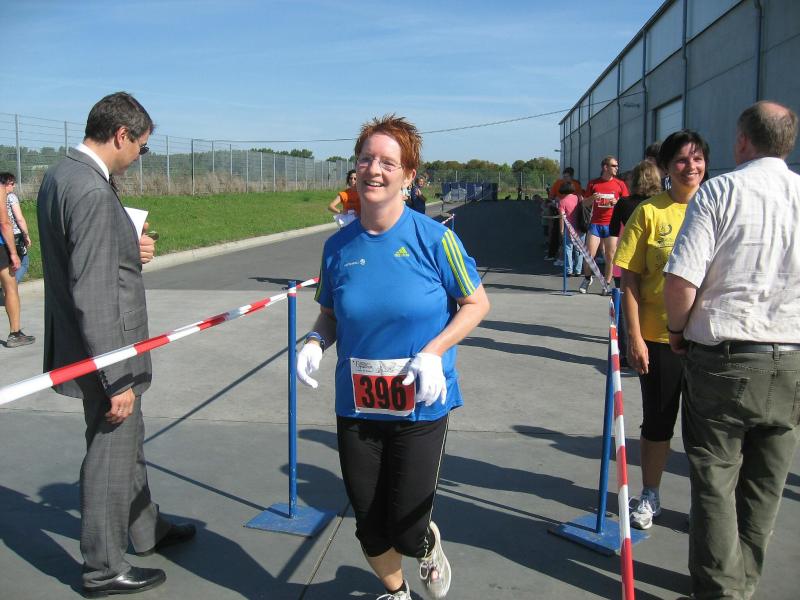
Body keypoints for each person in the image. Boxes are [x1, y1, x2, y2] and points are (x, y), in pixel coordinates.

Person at [296, 115, 490, 600]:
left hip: (420, 405)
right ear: (354, 169)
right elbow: (329, 315)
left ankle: (425, 543)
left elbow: (476, 304)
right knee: (368, 522)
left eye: (388, 162)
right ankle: (398, 592)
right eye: (366, 159)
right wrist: (315, 341)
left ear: (408, 175)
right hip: (357, 405)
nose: (374, 170)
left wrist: (434, 351)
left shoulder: (435, 239)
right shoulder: (337, 248)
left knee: (406, 526)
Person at [37, 92, 193, 598]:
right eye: (141, 148)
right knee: (110, 452)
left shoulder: (63, 175)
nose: (139, 157)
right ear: (121, 135)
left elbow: (86, 254)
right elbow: (95, 291)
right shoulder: (90, 189)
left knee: (130, 442)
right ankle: (104, 568)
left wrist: (130, 244)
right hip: (106, 352)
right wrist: (117, 377)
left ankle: (145, 527)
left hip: (85, 344)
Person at [664, 101, 800, 599]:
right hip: (792, 358)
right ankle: (744, 581)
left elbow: (681, 280)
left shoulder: (720, 192)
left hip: (726, 356)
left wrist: (677, 331)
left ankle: (721, 590)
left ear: (743, 141)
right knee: (767, 483)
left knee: (715, 478)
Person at [613, 131, 709, 531]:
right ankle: (650, 494)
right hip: (658, 339)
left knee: (707, 431)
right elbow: (630, 279)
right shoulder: (650, 212)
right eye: (682, 160)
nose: (691, 167)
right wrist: (634, 337)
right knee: (658, 421)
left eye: (697, 158)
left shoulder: (717, 207)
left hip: (710, 340)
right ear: (667, 167)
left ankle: (707, 506)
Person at [609, 160, 664, 365]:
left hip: (628, 258)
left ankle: (626, 352)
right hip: (655, 261)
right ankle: (652, 346)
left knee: (626, 307)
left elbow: (613, 233)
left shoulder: (624, 203)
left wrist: (610, 261)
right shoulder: (661, 203)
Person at [577, 156, 629, 295]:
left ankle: (606, 284)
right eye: (614, 165)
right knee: (589, 254)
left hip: (612, 224)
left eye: (617, 165)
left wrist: (617, 202)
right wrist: (592, 198)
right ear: (605, 167)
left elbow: (626, 203)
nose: (617, 168)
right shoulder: (594, 183)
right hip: (596, 223)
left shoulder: (620, 184)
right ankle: (587, 278)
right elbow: (584, 203)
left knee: (610, 256)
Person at [0, 178, 34, 348]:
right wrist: (13, 253)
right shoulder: (1, 190)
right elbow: (5, 223)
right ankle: (15, 333)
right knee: (10, 288)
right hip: (1, 246)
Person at [2, 172, 32, 283]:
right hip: (15, 235)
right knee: (24, 263)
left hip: (2, 236)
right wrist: (26, 235)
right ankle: (11, 286)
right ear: (5, 184)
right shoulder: (11, 197)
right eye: (12, 183)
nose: (14, 186)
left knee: (6, 265)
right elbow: (19, 219)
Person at [556, 181, 584, 276]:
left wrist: (561, 230)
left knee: (568, 249)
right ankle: (578, 270)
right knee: (579, 250)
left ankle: (569, 270)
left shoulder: (562, 201)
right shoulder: (578, 198)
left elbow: (562, 217)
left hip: (569, 229)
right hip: (580, 227)